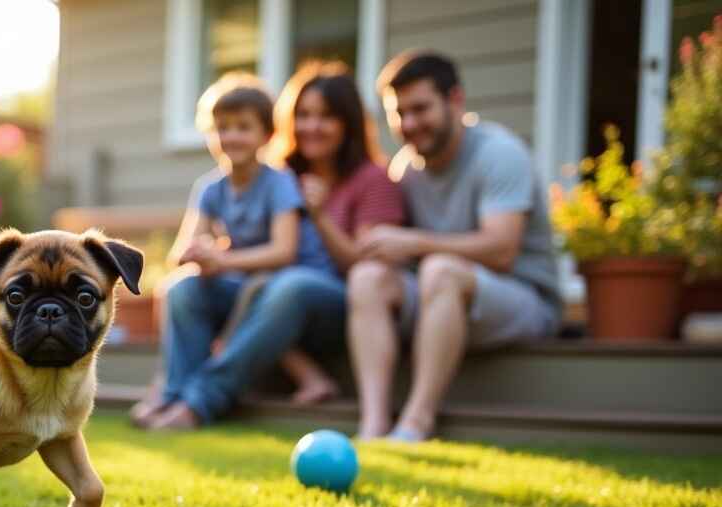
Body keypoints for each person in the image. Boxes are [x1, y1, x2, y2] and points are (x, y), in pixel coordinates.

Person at [133, 66, 397, 430]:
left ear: (265, 134)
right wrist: (200, 253)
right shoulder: (212, 187)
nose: (231, 136)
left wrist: (222, 260)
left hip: (312, 287)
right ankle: (173, 393)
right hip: (258, 282)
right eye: (222, 128)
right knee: (182, 287)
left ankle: (200, 401)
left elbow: (285, 252)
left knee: (278, 286)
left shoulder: (283, 180)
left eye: (243, 127)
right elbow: (188, 246)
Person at [347, 51, 561, 441]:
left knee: (440, 269)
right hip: (442, 300)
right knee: (367, 278)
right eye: (399, 114)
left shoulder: (499, 152)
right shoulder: (406, 169)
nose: (409, 124)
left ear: (455, 100)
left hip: (523, 300)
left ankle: (417, 422)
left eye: (420, 109)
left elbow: (502, 250)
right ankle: (373, 425)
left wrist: (413, 242)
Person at [273, 61, 406, 403]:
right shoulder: (281, 177)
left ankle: (204, 394)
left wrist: (319, 216)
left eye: (326, 116)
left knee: (290, 284)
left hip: (342, 306)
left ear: (348, 124)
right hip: (279, 303)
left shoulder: (373, 179)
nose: (311, 126)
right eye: (303, 115)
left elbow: (361, 266)